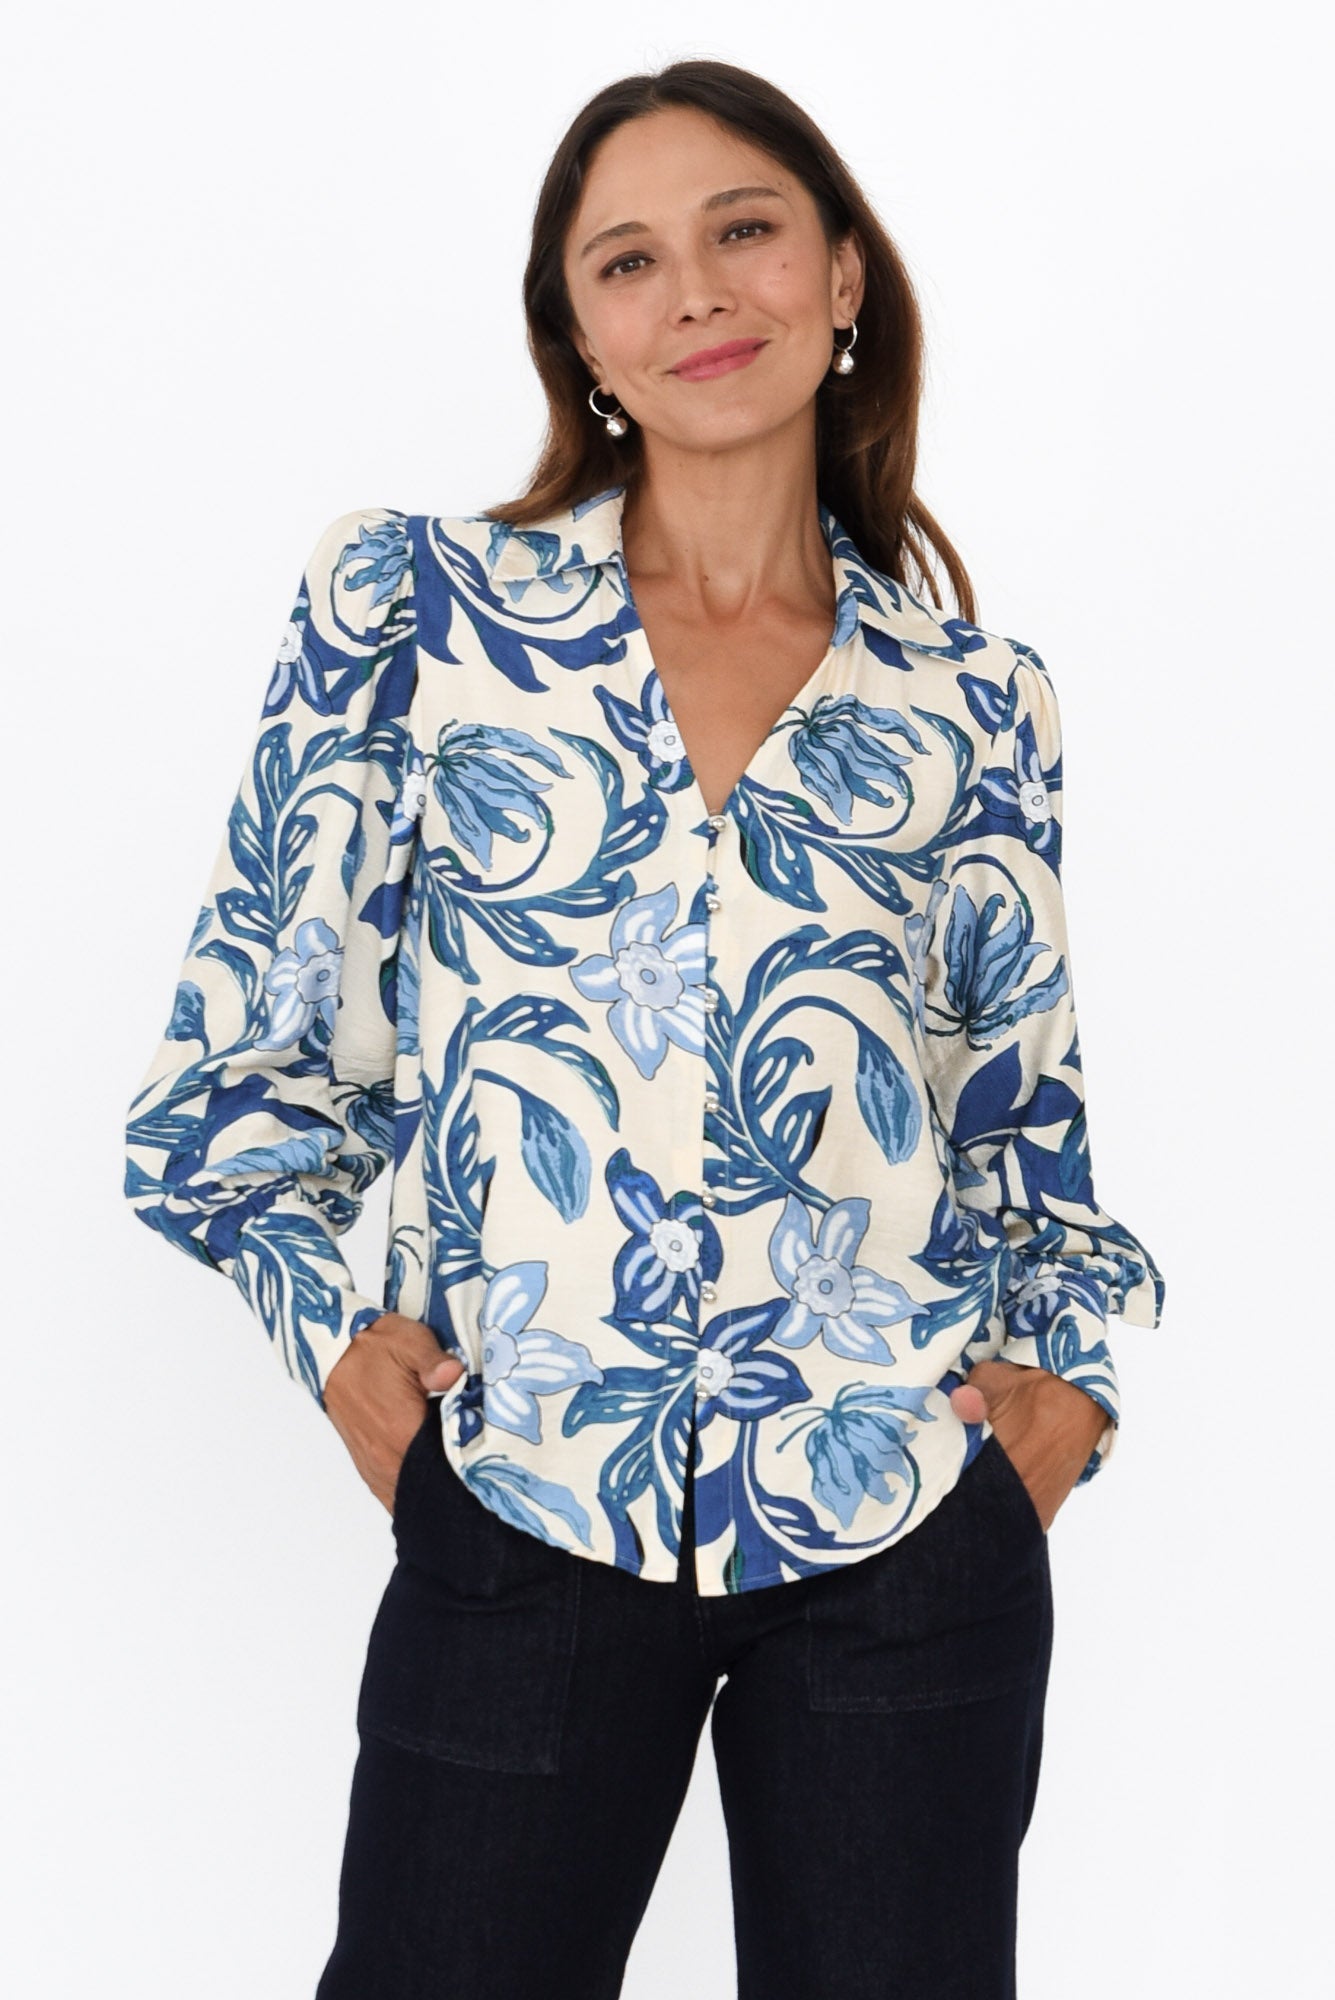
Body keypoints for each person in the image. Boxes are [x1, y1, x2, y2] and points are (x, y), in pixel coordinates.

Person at [124, 58, 1165, 2000]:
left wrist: (1063, 1400)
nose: (695, 291)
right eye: (628, 260)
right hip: (522, 1504)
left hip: (899, 1538)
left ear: (841, 276)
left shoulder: (974, 698)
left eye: (742, 231)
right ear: (581, 337)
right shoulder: (415, 612)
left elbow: (1021, 1127)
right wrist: (338, 1345)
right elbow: (230, 1083)